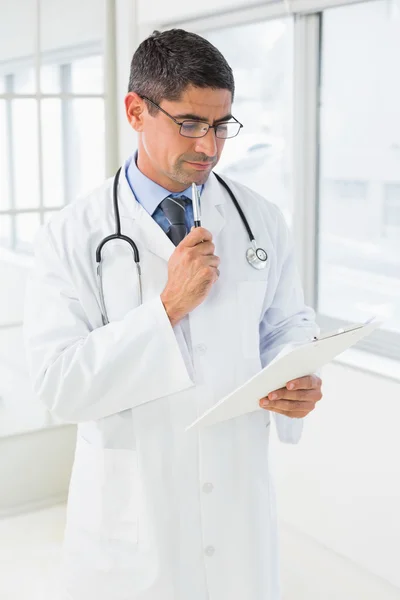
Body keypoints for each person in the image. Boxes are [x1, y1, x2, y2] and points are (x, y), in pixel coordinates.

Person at [24, 28, 322, 600]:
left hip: (236, 496)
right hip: (132, 514)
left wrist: (295, 373)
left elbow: (288, 322)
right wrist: (167, 308)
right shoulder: (71, 234)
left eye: (221, 125)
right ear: (137, 110)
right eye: (190, 123)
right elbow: (58, 384)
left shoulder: (259, 217)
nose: (209, 146)